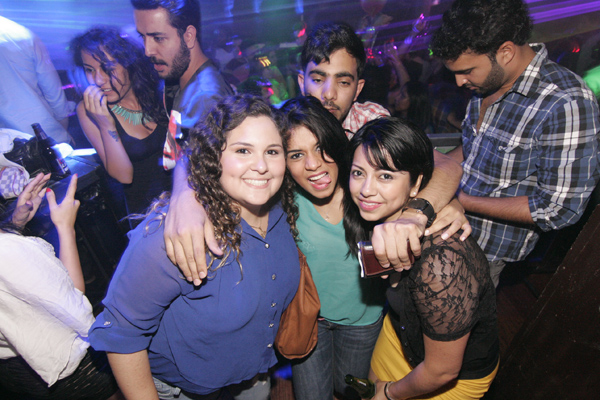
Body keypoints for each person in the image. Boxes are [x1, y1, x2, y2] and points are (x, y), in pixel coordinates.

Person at [163, 21, 466, 287]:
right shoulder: (279, 122)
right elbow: (200, 149)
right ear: (301, 81)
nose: (329, 94)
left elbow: (444, 165)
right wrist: (184, 196)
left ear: (358, 88)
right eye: (318, 79)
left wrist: (423, 210)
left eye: (343, 81)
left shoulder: (369, 121)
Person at [88, 95, 300, 400]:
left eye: (272, 151)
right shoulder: (176, 234)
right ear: (214, 157)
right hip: (180, 391)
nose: (261, 166)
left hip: (250, 377)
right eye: (243, 150)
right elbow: (122, 333)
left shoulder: (283, 210)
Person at [429, 0, 600, 287]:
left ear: (506, 52)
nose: (459, 82)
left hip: (484, 249)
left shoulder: (565, 103)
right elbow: (474, 148)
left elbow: (558, 209)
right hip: (446, 225)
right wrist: (436, 166)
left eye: (467, 70)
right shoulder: (488, 82)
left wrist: (461, 199)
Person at [344, 117, 499, 400]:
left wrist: (389, 393)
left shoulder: (440, 262)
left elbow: (442, 372)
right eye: (358, 173)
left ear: (416, 184)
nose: (366, 189)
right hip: (398, 334)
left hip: (447, 378)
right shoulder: (379, 213)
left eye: (385, 176)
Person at [0, 173, 122, 400]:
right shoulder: (7, 252)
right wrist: (65, 227)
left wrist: (15, 223)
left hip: (21, 374)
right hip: (75, 371)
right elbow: (73, 300)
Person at [71, 26, 172, 221]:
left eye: (108, 69)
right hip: (148, 216)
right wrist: (105, 124)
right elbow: (124, 176)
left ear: (129, 64)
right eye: (89, 70)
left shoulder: (157, 89)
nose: (98, 79)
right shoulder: (89, 109)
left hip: (186, 195)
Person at [130, 0, 234, 170]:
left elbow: (206, 177)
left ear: (189, 36)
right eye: (142, 36)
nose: (148, 51)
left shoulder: (204, 99)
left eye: (158, 38)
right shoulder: (177, 77)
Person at [0, 16, 73, 144]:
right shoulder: (22, 34)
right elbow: (53, 90)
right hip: (46, 134)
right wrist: (62, 131)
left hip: (6, 145)